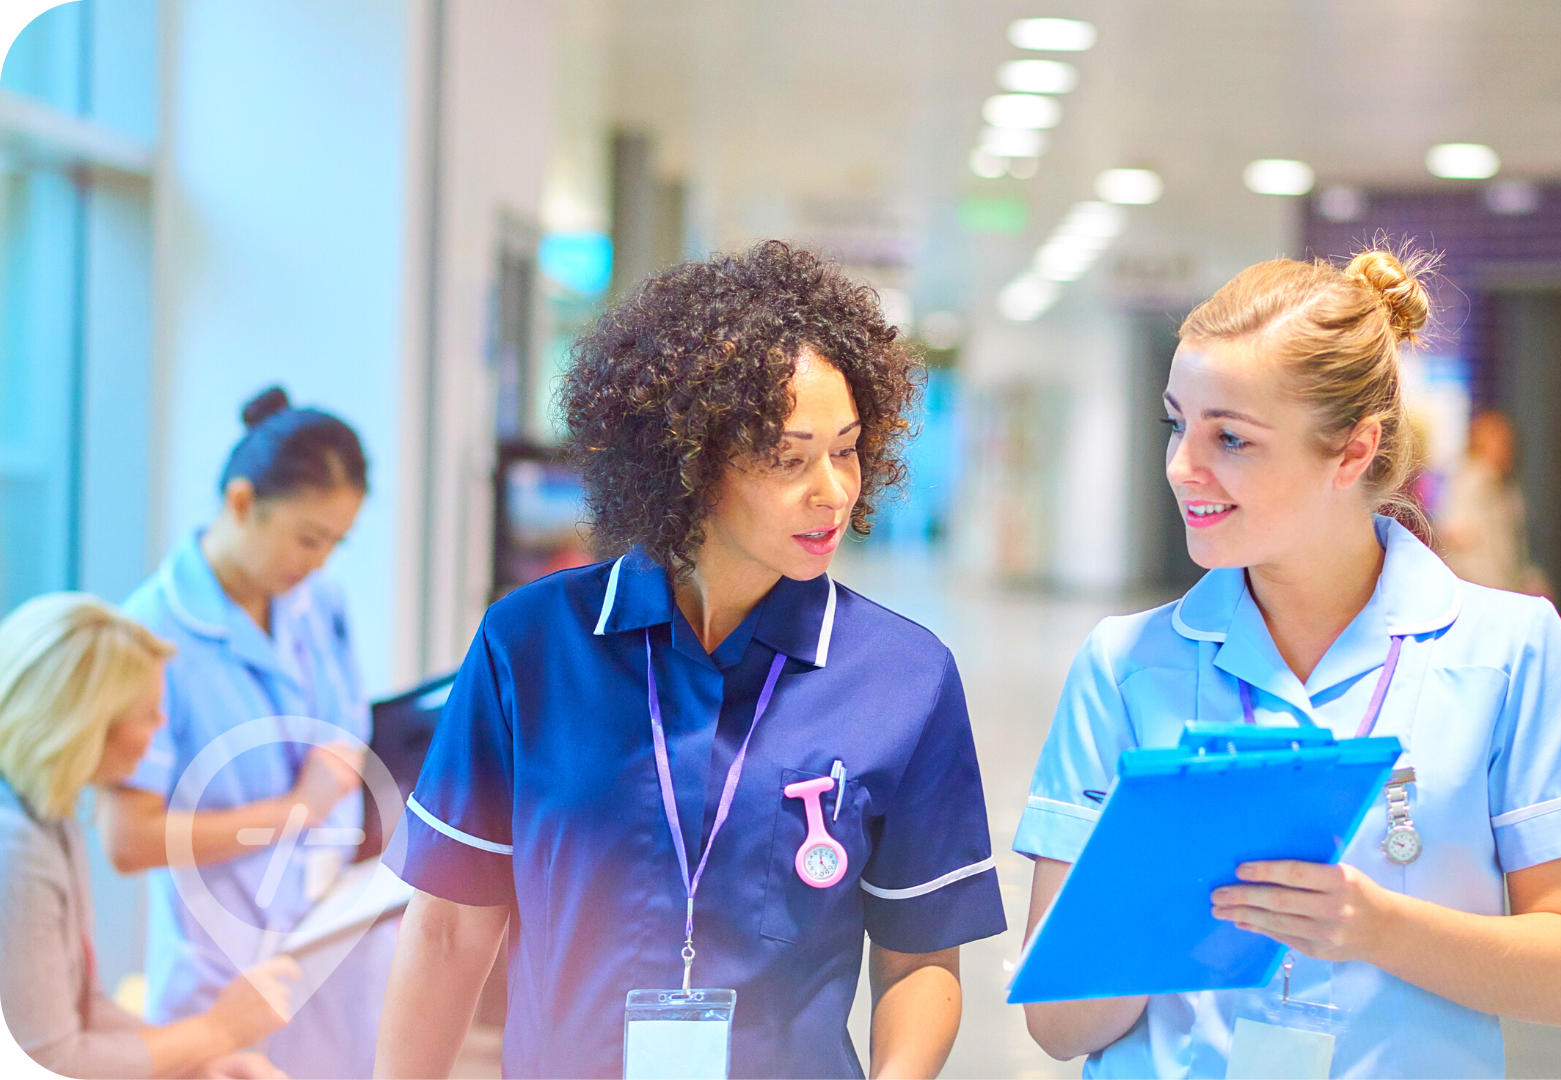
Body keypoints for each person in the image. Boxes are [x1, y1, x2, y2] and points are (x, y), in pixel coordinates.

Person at [374, 242, 1006, 1080]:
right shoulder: (530, 647)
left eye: (847, 449)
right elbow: (451, 929)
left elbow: (919, 959)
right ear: (689, 461)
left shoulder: (904, 678)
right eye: (789, 458)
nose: (834, 490)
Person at [1014, 250, 1561, 1080]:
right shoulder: (1125, 667)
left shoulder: (1509, 653)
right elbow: (1058, 1028)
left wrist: (1379, 928)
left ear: (1353, 452)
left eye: (1229, 437)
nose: (1181, 467)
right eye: (1177, 424)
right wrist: (1151, 894)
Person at [100, 388, 386, 1078]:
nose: (318, 562)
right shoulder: (151, 634)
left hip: (334, 941)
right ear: (239, 502)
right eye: (307, 539)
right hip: (223, 965)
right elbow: (129, 839)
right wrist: (293, 811)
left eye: (336, 543)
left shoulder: (319, 600)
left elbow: (344, 735)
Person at [1, 592, 300, 1080]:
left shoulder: (50, 814)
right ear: (87, 726)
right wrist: (219, 1031)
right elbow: (50, 1058)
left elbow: (82, 1007)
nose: (162, 725)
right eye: (148, 713)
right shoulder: (13, 849)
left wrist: (201, 1062)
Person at [1438, 410, 1547, 595]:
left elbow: (1517, 552)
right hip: (1480, 592)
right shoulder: (1469, 484)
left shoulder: (1509, 492)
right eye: (1500, 442)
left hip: (1503, 591)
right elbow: (1461, 543)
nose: (1506, 450)